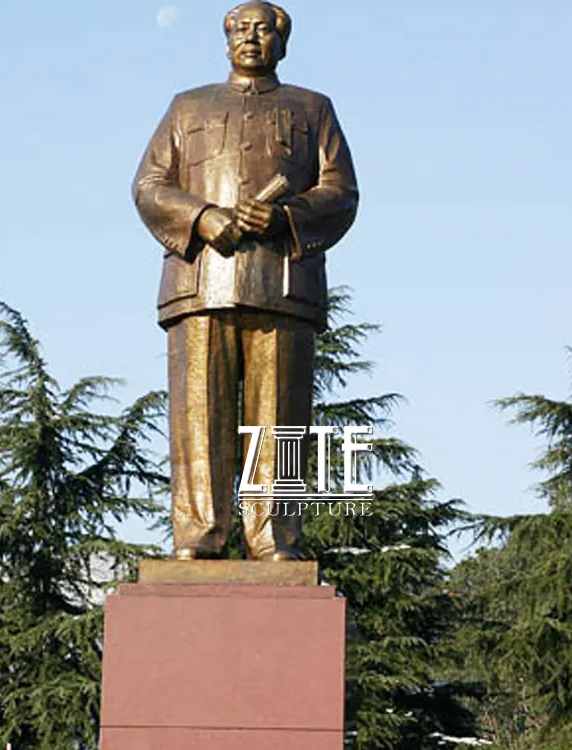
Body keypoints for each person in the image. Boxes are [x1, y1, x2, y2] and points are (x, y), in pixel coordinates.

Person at [133, 1, 359, 560]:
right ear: (225, 39)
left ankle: (275, 536)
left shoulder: (313, 110)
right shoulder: (187, 108)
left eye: (263, 30)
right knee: (198, 421)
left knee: (279, 422)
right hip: (201, 281)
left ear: (282, 43)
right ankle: (198, 535)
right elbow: (149, 186)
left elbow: (341, 193)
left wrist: (286, 217)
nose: (251, 38)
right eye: (240, 29)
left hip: (282, 285)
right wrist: (204, 218)